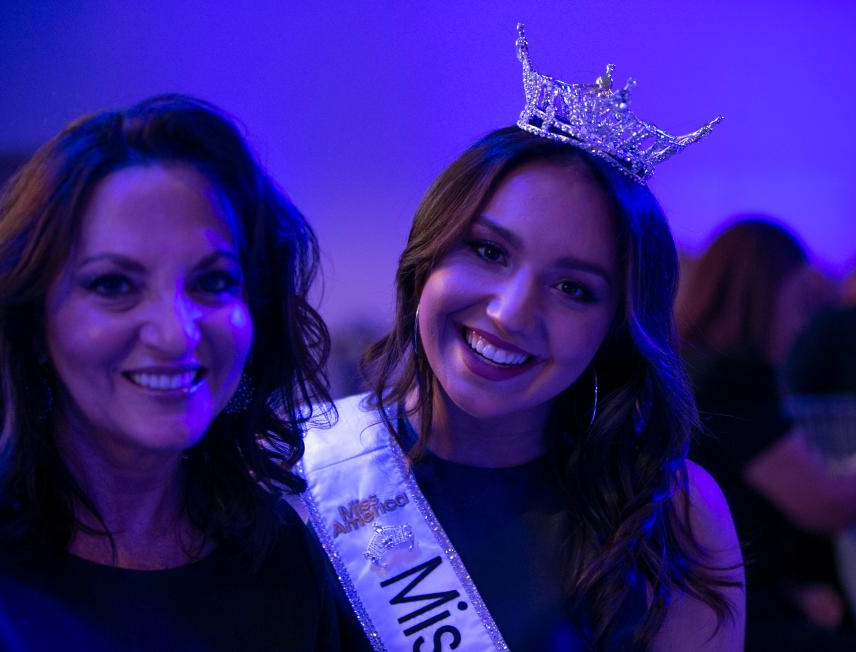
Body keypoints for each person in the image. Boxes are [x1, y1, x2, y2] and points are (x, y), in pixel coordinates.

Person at [299, 25, 744, 651]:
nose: (510, 313)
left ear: (615, 327)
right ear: (427, 257)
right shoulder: (302, 473)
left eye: (573, 288)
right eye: (487, 250)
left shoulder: (673, 514)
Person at [0, 94, 361, 650]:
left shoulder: (280, 556)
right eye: (115, 285)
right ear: (33, 320)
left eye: (212, 282)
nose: (177, 333)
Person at [677, 218, 856, 650]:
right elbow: (825, 505)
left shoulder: (692, 369)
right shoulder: (730, 383)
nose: (800, 326)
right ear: (760, 299)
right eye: (796, 304)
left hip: (719, 597)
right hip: (732, 617)